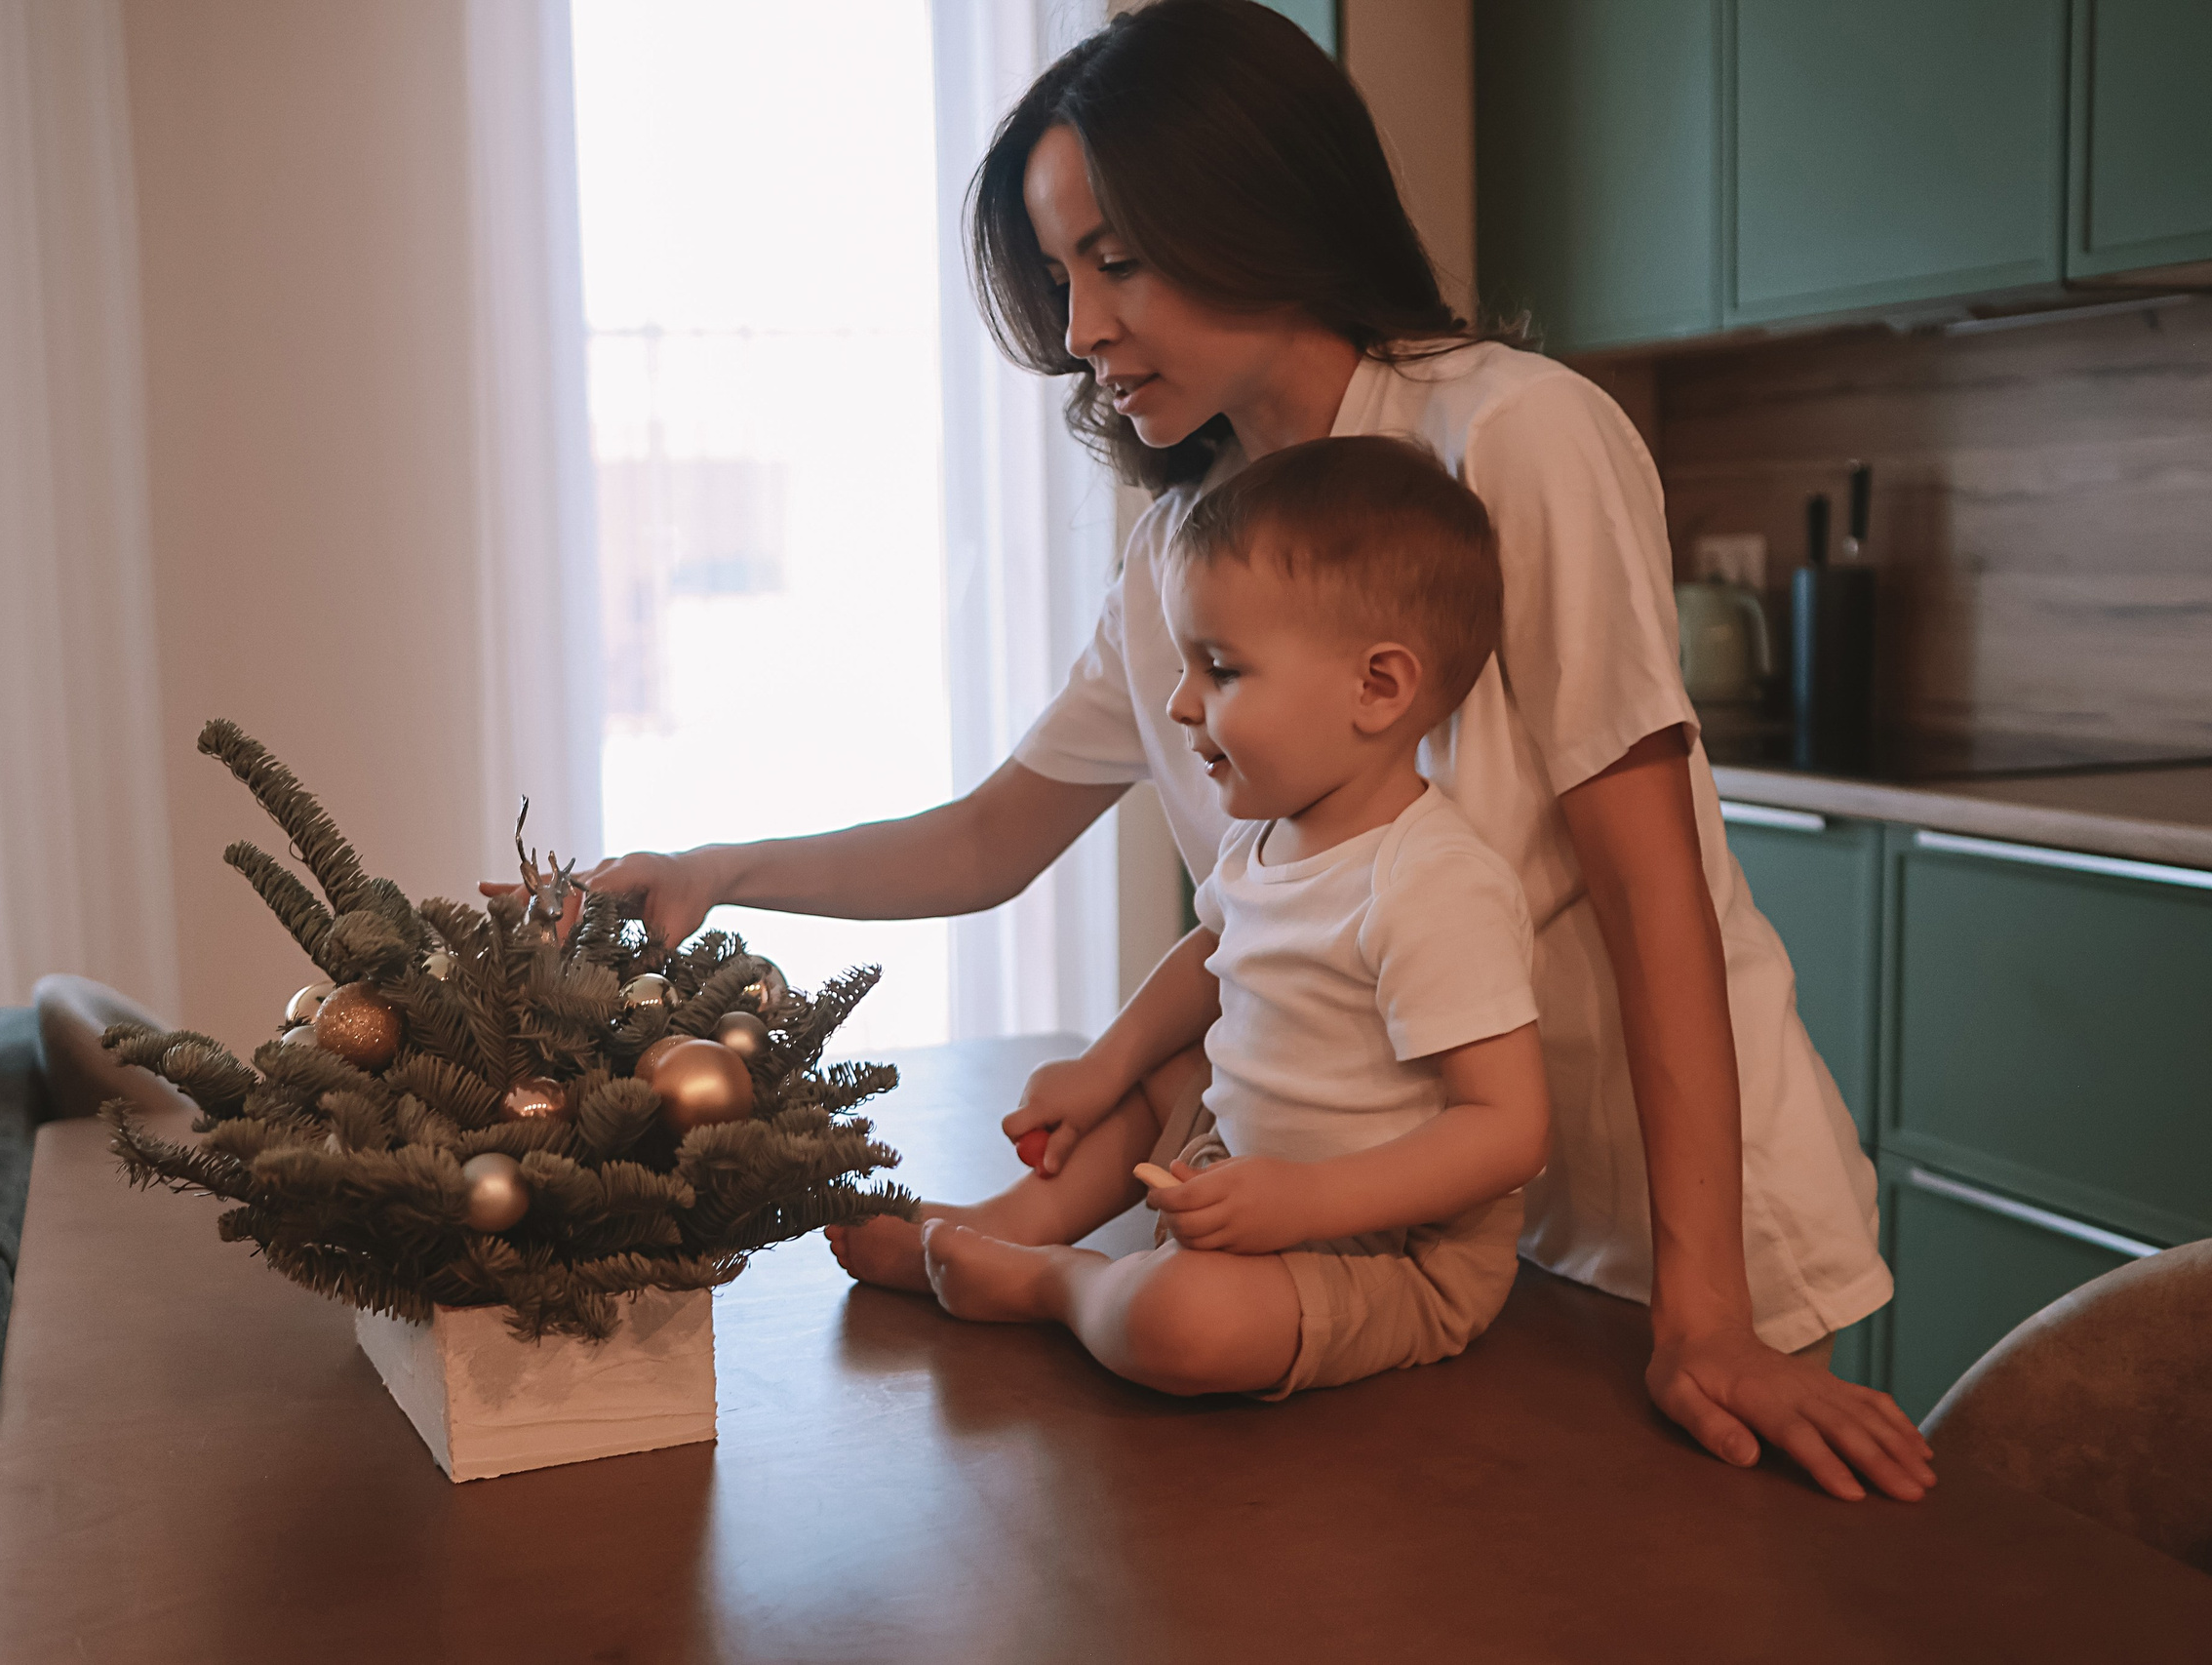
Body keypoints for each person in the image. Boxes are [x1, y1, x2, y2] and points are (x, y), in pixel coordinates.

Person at [580, 0, 1934, 1500]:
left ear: (1259, 206)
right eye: (1056, 274)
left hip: (1670, 1232)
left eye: (1118, 257)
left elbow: (1651, 881)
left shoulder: (1513, 438)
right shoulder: (1185, 553)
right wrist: (720, 865)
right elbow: (987, 837)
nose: (1082, 329)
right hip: (1416, 1241)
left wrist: (1707, 1315)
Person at [922, 434, 1550, 1400]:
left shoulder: (1433, 881)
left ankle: (1057, 1283)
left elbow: (1507, 1130)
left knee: (1189, 1321)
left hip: (1386, 1254)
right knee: (1157, 1070)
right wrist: (1106, 1064)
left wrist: (1306, 1200)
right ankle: (1008, 1224)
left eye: (1220, 669)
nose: (1178, 703)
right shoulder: (1266, 838)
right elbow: (1214, 949)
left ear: (1377, 688)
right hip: (1252, 1181)